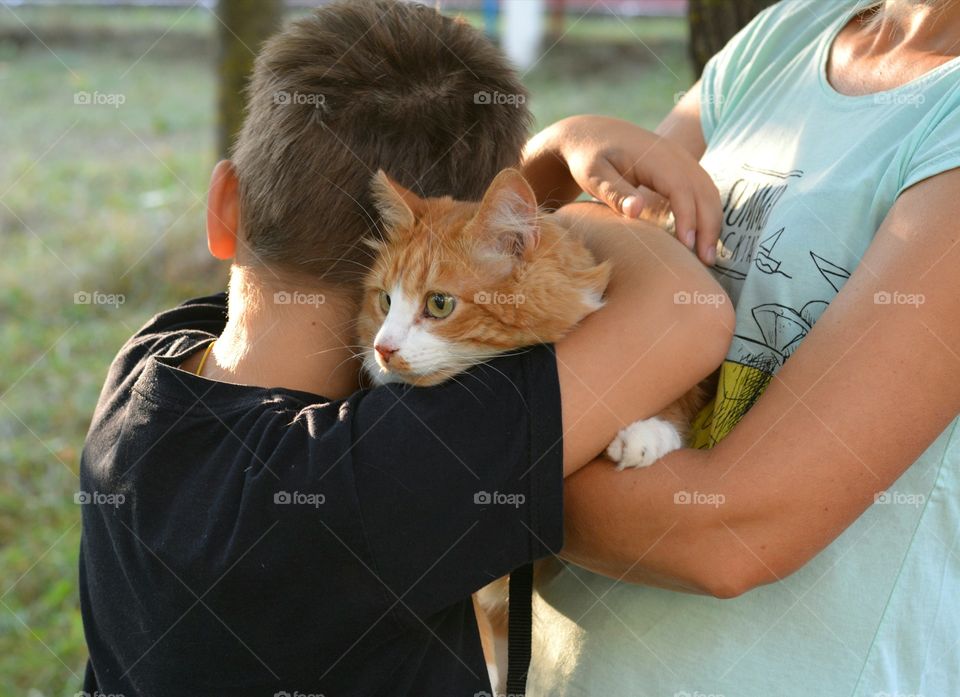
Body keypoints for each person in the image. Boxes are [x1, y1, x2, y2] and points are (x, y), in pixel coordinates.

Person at [77, 1, 731, 695]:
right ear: (398, 266)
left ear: (224, 208)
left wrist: (495, 214)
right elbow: (683, 316)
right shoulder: (387, 469)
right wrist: (570, 147)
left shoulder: (151, 360)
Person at [519, 0, 960, 695]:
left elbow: (733, 530)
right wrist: (554, 152)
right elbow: (571, 281)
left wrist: (453, 481)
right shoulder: (789, 32)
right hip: (566, 668)